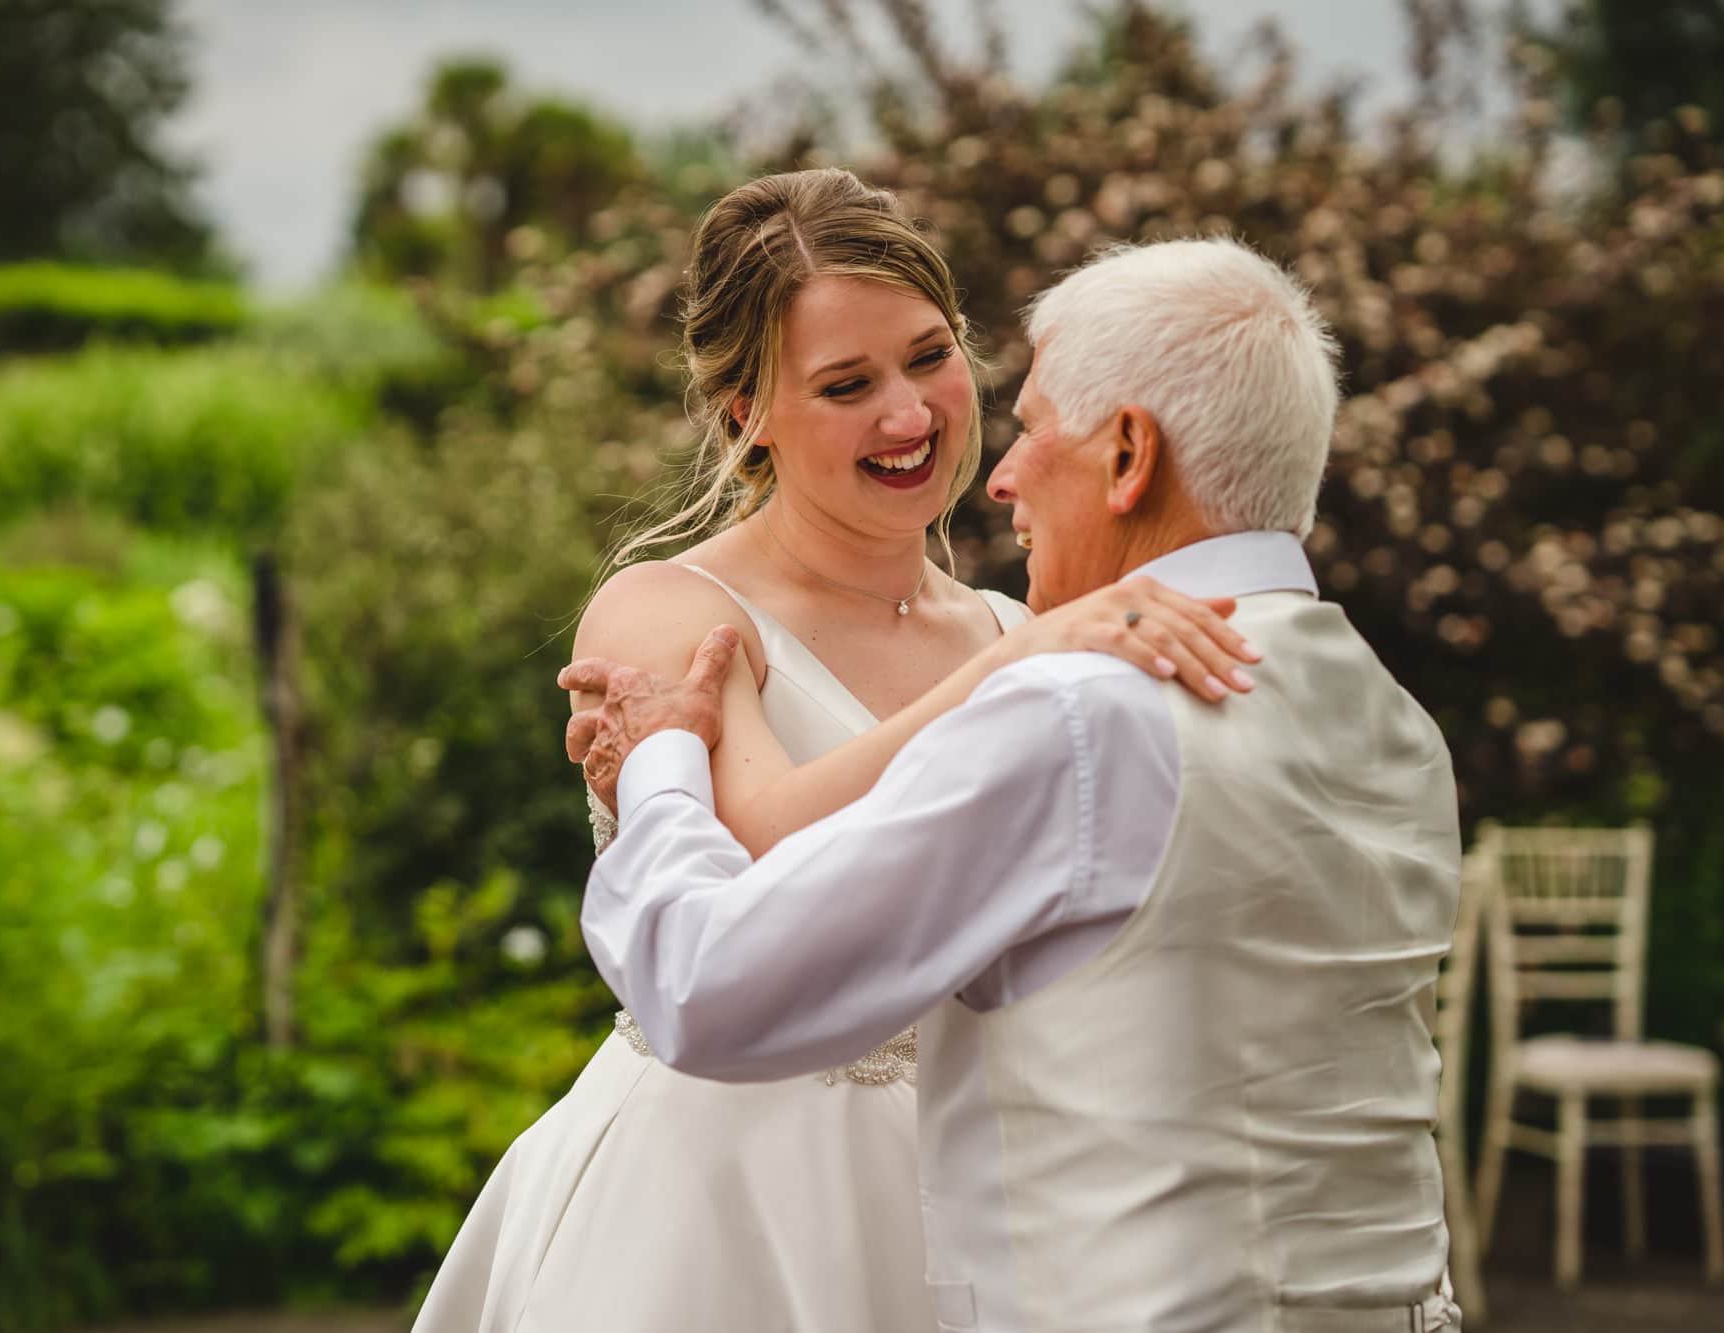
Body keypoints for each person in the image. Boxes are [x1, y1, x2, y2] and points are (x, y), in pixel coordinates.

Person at [411, 171, 1256, 1333]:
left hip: (970, 1197)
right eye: (846, 384)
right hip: (716, 1205)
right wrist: (1011, 672)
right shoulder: (672, 610)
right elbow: (761, 843)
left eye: (928, 356)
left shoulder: (1013, 629)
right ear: (742, 413)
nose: (908, 415)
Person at [571, 237, 1464, 1333]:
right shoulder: (1392, 725)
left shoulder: (1077, 709)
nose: (994, 469)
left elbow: (706, 981)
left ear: (1127, 454)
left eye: (1033, 427)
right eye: (847, 384)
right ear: (744, 412)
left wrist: (661, 760)